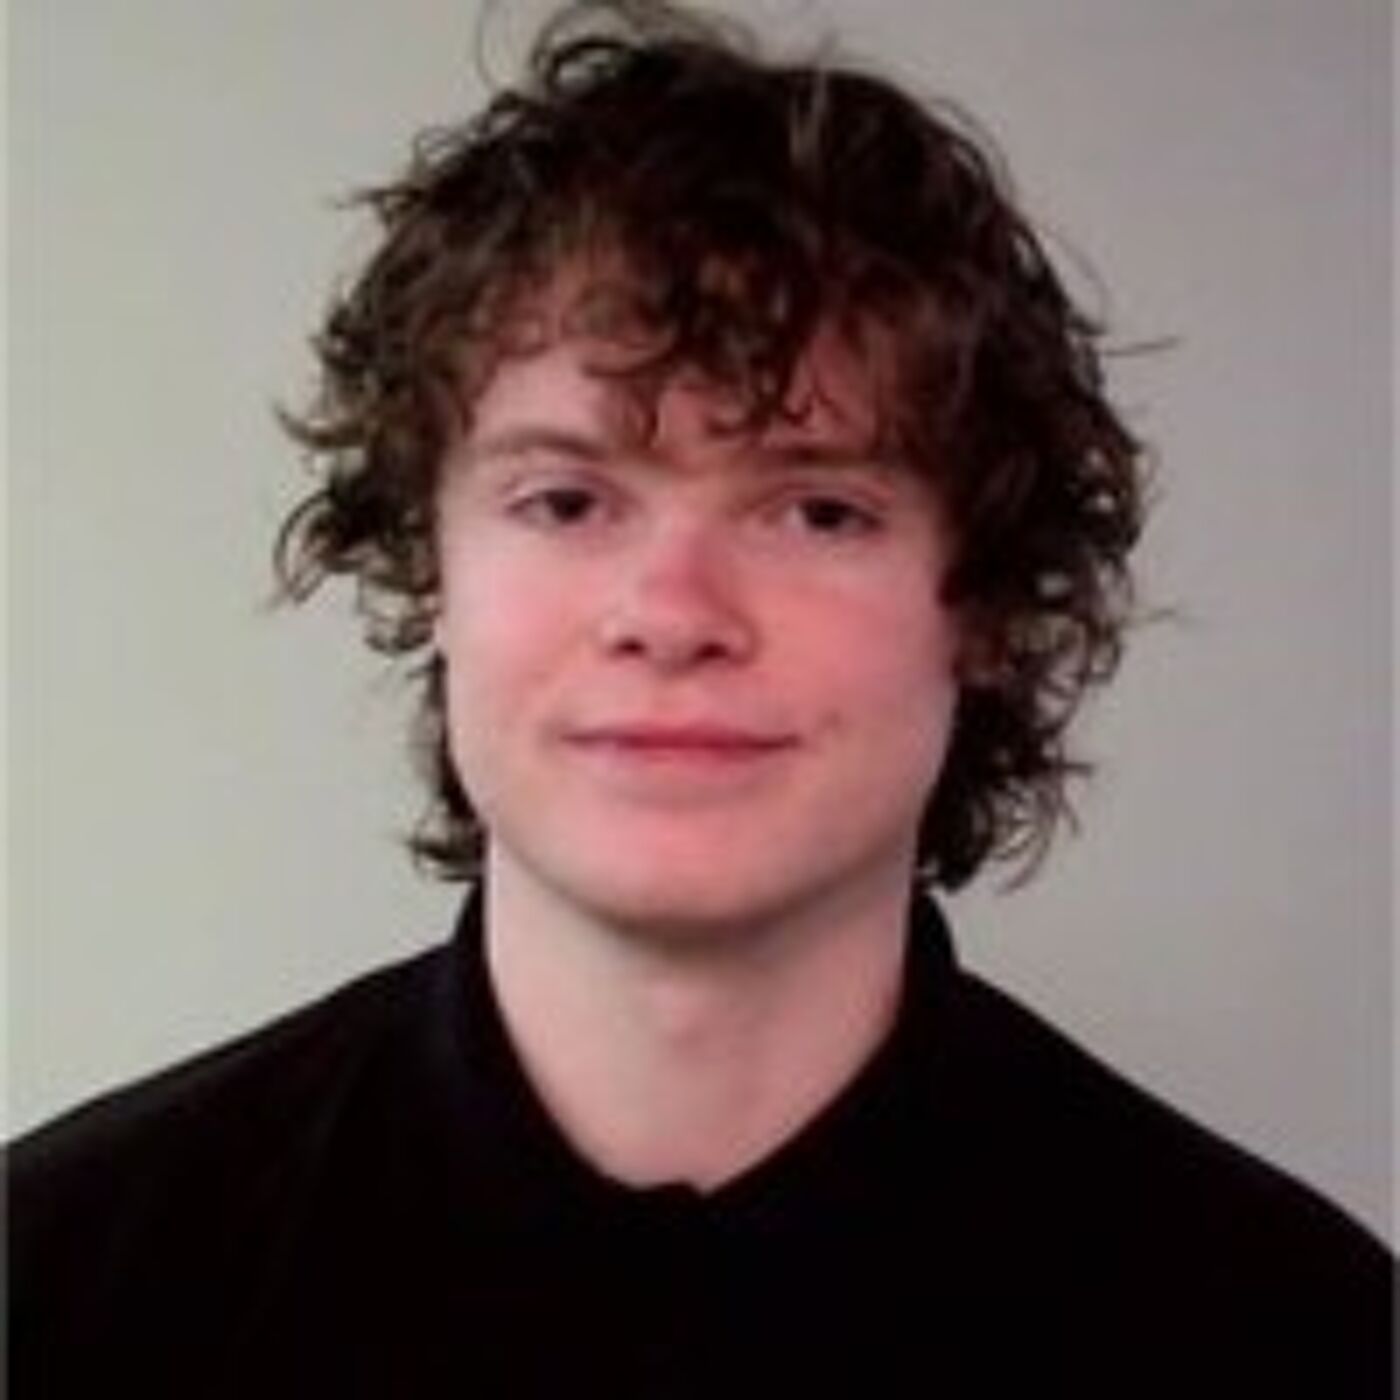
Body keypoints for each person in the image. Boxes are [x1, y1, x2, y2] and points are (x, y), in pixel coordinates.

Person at [8, 2, 1392, 1395]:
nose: (674, 614)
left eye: (818, 511)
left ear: (982, 607)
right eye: (564, 499)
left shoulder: (1303, 1338)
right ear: (430, 568)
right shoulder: (54, 1286)